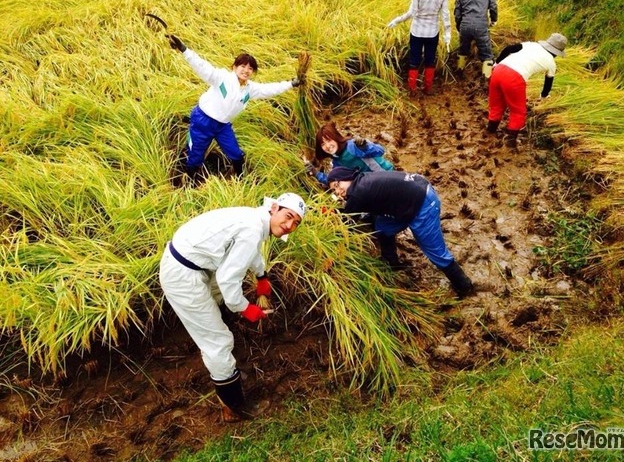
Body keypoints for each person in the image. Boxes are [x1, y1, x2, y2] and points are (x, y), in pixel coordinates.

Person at [159, 192, 307, 422]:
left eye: (295, 223)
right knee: (217, 341)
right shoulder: (251, 229)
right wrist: (247, 309)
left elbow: (250, 252)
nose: (289, 225)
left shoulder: (254, 220)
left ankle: (228, 373)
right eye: (288, 216)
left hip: (198, 267)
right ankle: (234, 407)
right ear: (274, 208)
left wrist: (261, 275)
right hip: (183, 277)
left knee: (218, 317)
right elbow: (229, 281)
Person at [166, 34, 304, 180]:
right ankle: (188, 180)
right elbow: (203, 67)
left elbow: (269, 89)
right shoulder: (222, 78)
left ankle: (240, 179)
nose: (246, 70)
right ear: (234, 67)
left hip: (223, 127)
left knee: (236, 154)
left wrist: (291, 84)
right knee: (195, 156)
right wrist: (184, 50)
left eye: (250, 68)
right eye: (243, 66)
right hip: (203, 121)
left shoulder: (250, 88)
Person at [327, 167, 475, 298]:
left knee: (436, 253)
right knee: (383, 227)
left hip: (422, 204)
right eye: (334, 190)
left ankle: (464, 287)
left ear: (347, 178)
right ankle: (391, 264)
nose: (338, 191)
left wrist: (330, 253)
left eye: (337, 185)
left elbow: (346, 225)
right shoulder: (362, 179)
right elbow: (352, 212)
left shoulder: (358, 192)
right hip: (414, 191)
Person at [487, 33, 568, 147]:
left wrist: (496, 63)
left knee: (497, 104)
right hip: (514, 78)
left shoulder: (530, 45)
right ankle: (510, 141)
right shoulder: (551, 63)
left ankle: (490, 130)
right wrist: (543, 97)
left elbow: (508, 49)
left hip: (498, 71)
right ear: (557, 52)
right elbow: (548, 84)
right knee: (518, 111)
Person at [387, 0, 452, 96]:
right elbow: (445, 14)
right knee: (430, 60)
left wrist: (397, 20)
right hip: (432, 31)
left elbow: (411, 13)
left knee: (414, 60)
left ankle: (412, 89)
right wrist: (448, 33)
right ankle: (428, 88)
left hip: (417, 31)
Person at [305, 122, 394, 186]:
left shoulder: (352, 146)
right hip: (371, 186)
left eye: (329, 140)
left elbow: (380, 151)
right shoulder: (337, 160)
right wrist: (316, 174)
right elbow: (333, 180)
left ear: (336, 137)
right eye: (323, 144)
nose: (328, 146)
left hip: (387, 177)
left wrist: (365, 146)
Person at [454, 0, 498, 79]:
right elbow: (493, 7)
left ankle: (459, 74)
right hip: (481, 25)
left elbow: (457, 14)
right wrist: (494, 20)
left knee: (463, 50)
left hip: (464, 26)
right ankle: (485, 80)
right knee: (487, 54)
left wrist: (459, 27)